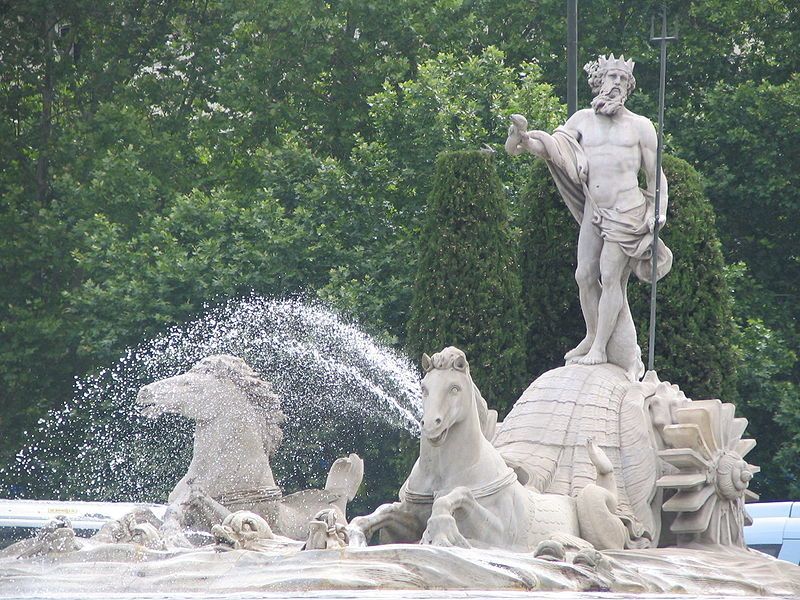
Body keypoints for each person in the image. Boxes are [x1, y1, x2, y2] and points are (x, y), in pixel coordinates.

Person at [506, 54, 672, 380]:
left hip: (628, 213)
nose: (615, 85)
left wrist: (660, 212)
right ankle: (592, 335)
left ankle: (600, 348)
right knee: (584, 275)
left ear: (629, 88)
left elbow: (656, 177)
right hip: (594, 212)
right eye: (610, 78)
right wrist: (526, 139)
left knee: (611, 277)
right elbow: (556, 149)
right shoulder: (582, 120)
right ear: (598, 82)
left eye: (622, 81)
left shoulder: (640, 127)